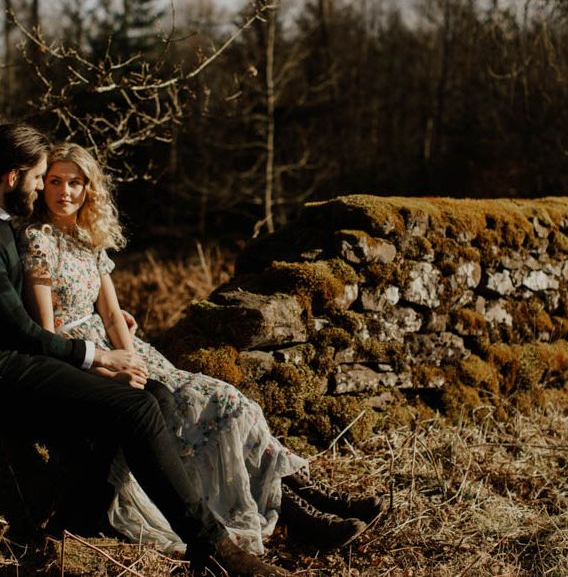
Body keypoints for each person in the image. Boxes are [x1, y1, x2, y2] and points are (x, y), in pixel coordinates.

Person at [18, 141, 383, 558]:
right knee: (197, 405)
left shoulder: (89, 239)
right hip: (82, 355)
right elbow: (49, 330)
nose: (65, 192)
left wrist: (133, 355)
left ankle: (309, 497)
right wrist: (109, 367)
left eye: (76, 183)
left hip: (122, 347)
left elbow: (114, 314)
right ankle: (292, 515)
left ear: (90, 188)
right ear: (42, 185)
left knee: (232, 401)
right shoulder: (37, 241)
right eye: (56, 181)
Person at [0, 122, 291, 576]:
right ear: (14, 175)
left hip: (32, 354)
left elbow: (38, 312)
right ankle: (210, 546)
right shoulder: (21, 234)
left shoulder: (10, 226)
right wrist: (98, 356)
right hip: (14, 367)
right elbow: (26, 329)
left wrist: (116, 336)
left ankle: (82, 515)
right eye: (43, 177)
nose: (46, 188)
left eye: (64, 180)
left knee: (153, 395)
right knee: (139, 407)